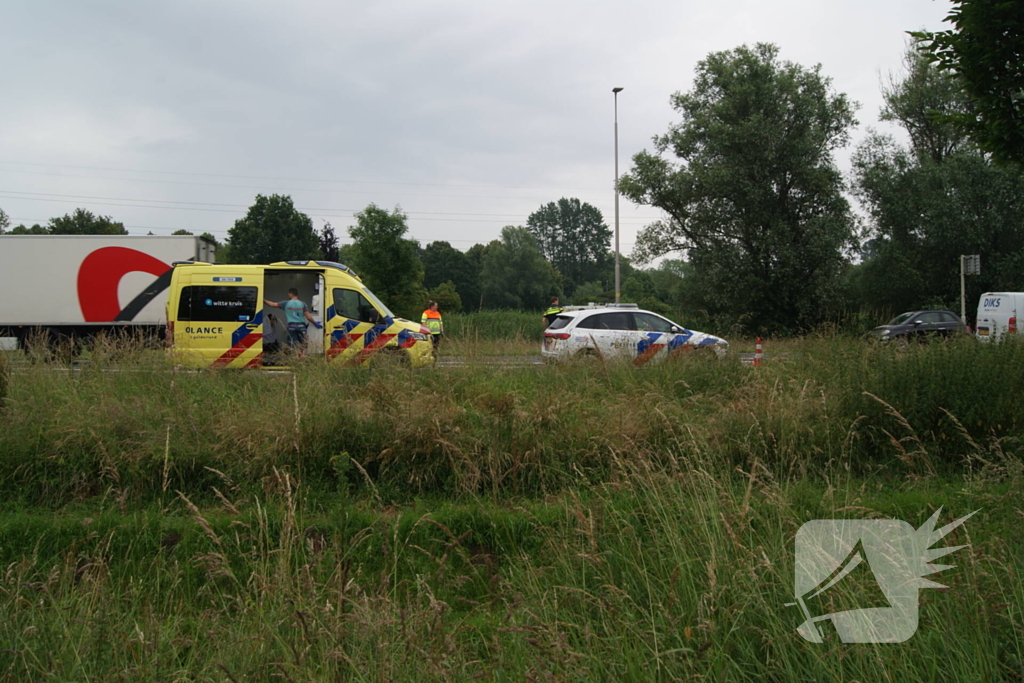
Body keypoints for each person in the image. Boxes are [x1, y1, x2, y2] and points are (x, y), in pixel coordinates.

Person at [264, 288, 321, 358]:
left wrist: (263, 300)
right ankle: (303, 357)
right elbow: (308, 317)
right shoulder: (303, 304)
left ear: (291, 294)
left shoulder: (285, 303)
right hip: (301, 326)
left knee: (293, 344)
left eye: (288, 294)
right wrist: (315, 323)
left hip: (291, 326)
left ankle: (296, 357)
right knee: (304, 343)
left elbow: (272, 304)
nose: (288, 295)